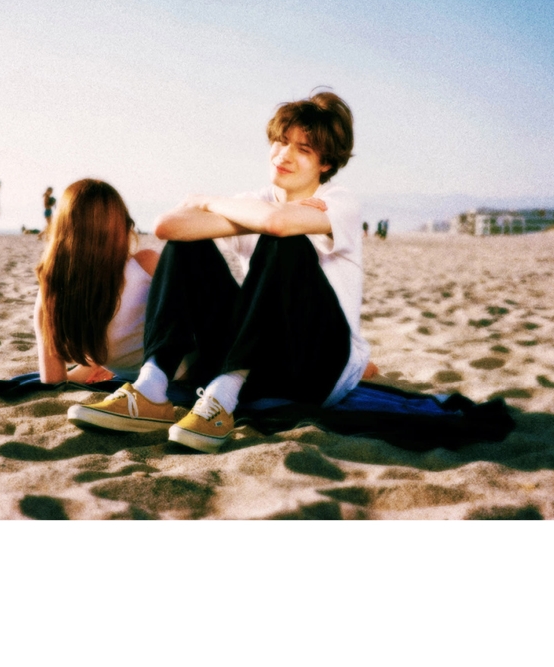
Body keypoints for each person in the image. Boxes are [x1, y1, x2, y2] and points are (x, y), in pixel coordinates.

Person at [70, 91, 371, 453]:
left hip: (318, 367)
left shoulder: (340, 201)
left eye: (303, 150)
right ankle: (152, 387)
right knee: (188, 245)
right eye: (280, 141)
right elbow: (168, 226)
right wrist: (250, 217)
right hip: (263, 364)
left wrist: (211, 203)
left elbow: (277, 225)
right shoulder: (255, 202)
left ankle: (222, 397)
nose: (284, 155)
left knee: (288, 241)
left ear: (325, 163)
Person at [36, 179, 164, 423]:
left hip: (127, 374)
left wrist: (97, 364)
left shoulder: (49, 295)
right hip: (179, 374)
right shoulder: (145, 265)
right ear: (121, 227)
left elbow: (53, 383)